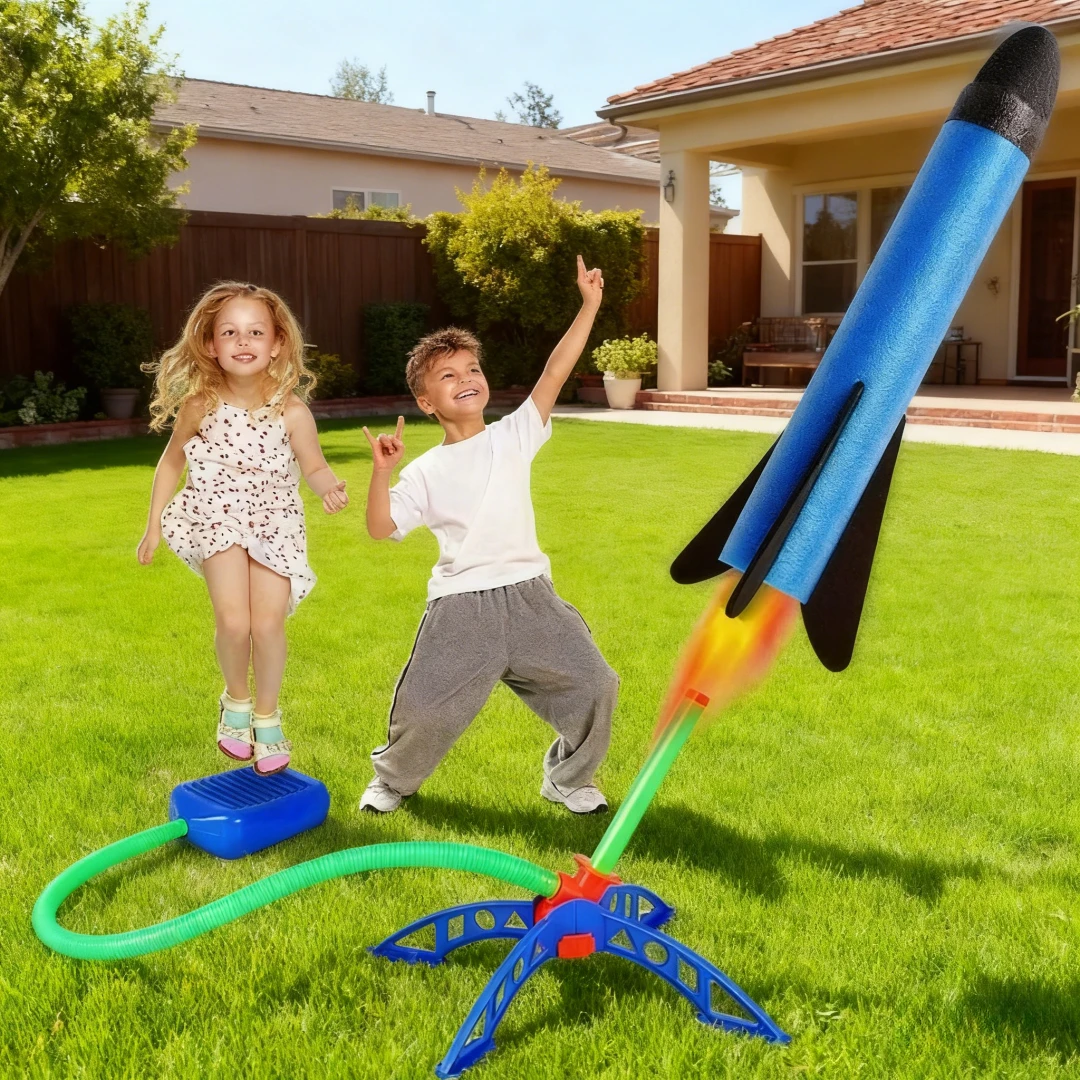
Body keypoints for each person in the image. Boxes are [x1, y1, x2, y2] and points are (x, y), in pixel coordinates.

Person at [360, 255, 618, 814]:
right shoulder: (424, 470)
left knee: (596, 684)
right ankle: (393, 781)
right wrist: (381, 473)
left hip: (531, 599)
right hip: (461, 610)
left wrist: (589, 305)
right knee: (425, 712)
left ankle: (568, 780)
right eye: (448, 376)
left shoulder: (515, 434)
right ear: (426, 402)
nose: (466, 380)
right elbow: (381, 528)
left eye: (472, 369)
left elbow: (555, 372)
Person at [137, 281, 348, 775]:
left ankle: (268, 716)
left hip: (275, 520)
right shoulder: (199, 405)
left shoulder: (293, 411)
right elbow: (170, 465)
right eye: (229, 332)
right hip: (216, 513)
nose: (243, 341)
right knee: (235, 622)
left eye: (256, 331)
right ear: (211, 345)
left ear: (277, 343)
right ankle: (236, 702)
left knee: (267, 623)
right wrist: (152, 527)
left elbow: (313, 465)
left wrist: (328, 487)